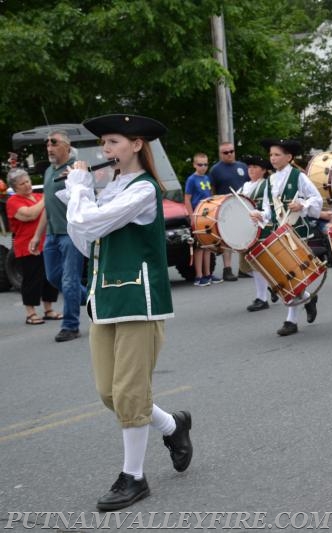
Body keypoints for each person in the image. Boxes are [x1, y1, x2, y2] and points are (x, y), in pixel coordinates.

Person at [62, 114, 193, 510]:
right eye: (104, 143)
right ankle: (173, 425)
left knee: (130, 392)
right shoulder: (114, 188)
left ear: (136, 145)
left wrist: (81, 192)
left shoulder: (143, 191)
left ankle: (133, 477)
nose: (106, 150)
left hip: (140, 299)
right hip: (105, 299)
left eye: (114, 142)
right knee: (110, 393)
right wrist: (80, 194)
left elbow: (90, 221)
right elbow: (84, 238)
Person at [259, 138, 323, 336]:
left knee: (292, 276)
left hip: (297, 232)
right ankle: (308, 298)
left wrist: (302, 204)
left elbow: (317, 199)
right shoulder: (269, 181)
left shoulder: (298, 177)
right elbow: (267, 212)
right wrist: (258, 216)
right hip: (278, 233)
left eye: (277, 155)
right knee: (285, 277)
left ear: (289, 157)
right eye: (271, 155)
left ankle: (291, 320)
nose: (273, 158)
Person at [28, 129, 85, 342]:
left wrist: (78, 178)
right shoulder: (49, 172)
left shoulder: (75, 169)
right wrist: (37, 236)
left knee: (70, 281)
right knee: (53, 277)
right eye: (47, 144)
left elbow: (86, 197)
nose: (49, 147)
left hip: (71, 235)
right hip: (52, 235)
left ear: (67, 147)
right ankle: (91, 300)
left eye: (54, 143)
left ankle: (70, 326)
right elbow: (48, 206)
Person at [5, 168, 60, 324]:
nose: (27, 185)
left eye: (28, 181)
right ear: (15, 187)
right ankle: (31, 313)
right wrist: (47, 197)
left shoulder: (38, 196)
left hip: (47, 243)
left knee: (49, 277)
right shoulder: (13, 201)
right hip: (27, 246)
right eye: (22, 183)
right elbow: (30, 214)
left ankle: (48, 309)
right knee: (32, 279)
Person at [209, 141, 248, 279]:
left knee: (245, 236)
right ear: (221, 154)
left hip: (242, 207)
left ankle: (243, 268)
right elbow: (212, 191)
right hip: (225, 208)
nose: (230, 154)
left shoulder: (243, 167)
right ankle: (227, 269)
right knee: (227, 239)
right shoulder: (215, 170)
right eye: (226, 152)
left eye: (232, 151)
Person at [240, 154, 273, 312]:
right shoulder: (244, 187)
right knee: (246, 266)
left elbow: (269, 208)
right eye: (249, 167)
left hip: (262, 229)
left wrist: (260, 214)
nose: (251, 170)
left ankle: (262, 297)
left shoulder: (266, 185)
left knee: (258, 264)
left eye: (255, 167)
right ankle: (270, 285)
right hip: (247, 231)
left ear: (264, 170)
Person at [184, 152, 222, 286]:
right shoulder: (191, 179)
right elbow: (187, 199)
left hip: (207, 215)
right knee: (199, 247)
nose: (203, 167)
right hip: (197, 216)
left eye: (206, 164)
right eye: (200, 164)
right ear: (194, 165)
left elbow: (209, 195)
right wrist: (191, 216)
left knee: (207, 246)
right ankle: (199, 276)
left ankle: (208, 274)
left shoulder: (206, 178)